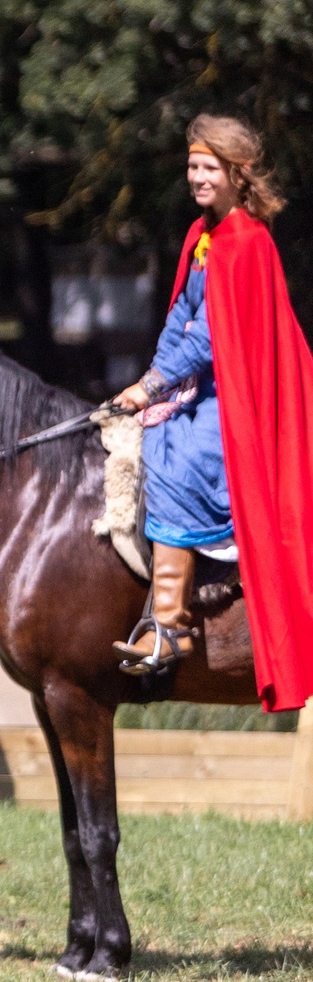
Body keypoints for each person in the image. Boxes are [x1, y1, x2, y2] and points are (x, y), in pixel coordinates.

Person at [106, 114, 313, 707]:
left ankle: (169, 628)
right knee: (150, 433)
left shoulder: (246, 241)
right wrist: (150, 380)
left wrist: (154, 387)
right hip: (203, 385)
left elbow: (214, 334)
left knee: (178, 459)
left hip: (239, 397)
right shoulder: (203, 235)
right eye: (192, 166)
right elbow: (181, 319)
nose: (196, 177)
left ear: (236, 174)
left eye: (207, 168)